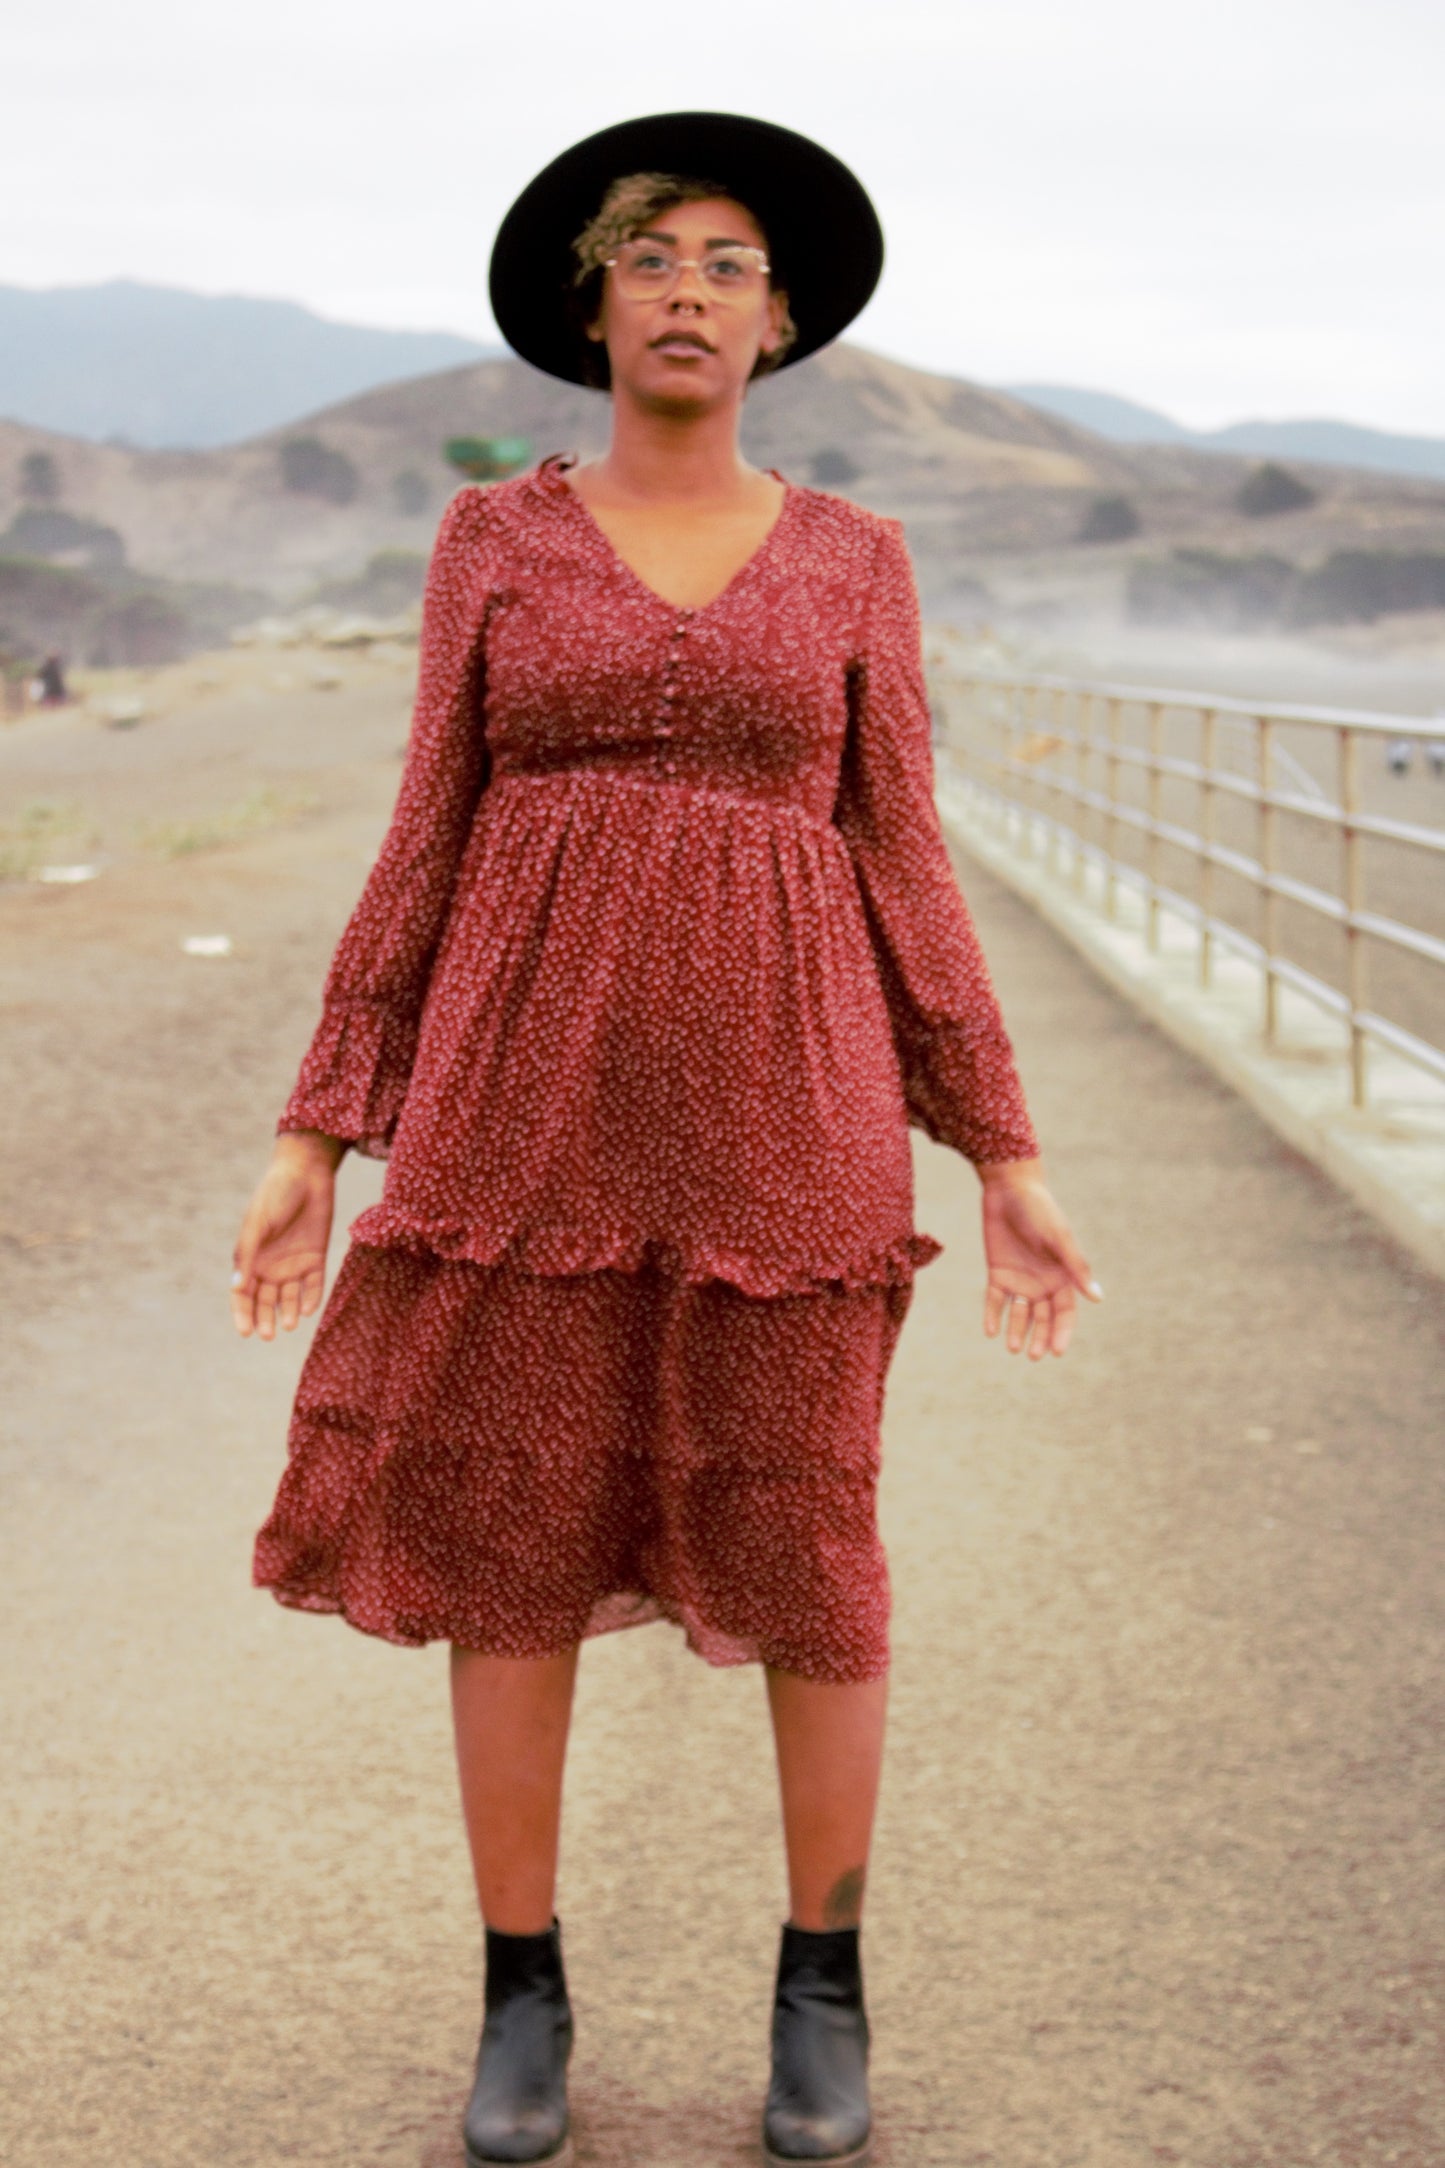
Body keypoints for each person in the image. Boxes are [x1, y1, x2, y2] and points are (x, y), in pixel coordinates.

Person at [231, 110, 1100, 2168]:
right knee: (510, 1547)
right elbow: (427, 832)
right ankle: (518, 1990)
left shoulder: (860, 560)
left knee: (810, 1551)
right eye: (653, 257)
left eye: (727, 261)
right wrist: (317, 1121)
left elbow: (903, 861)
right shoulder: (492, 544)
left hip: (789, 1119)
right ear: (592, 304)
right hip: (518, 1107)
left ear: (781, 318)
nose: (690, 289)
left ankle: (826, 1982)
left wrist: (1003, 1149)